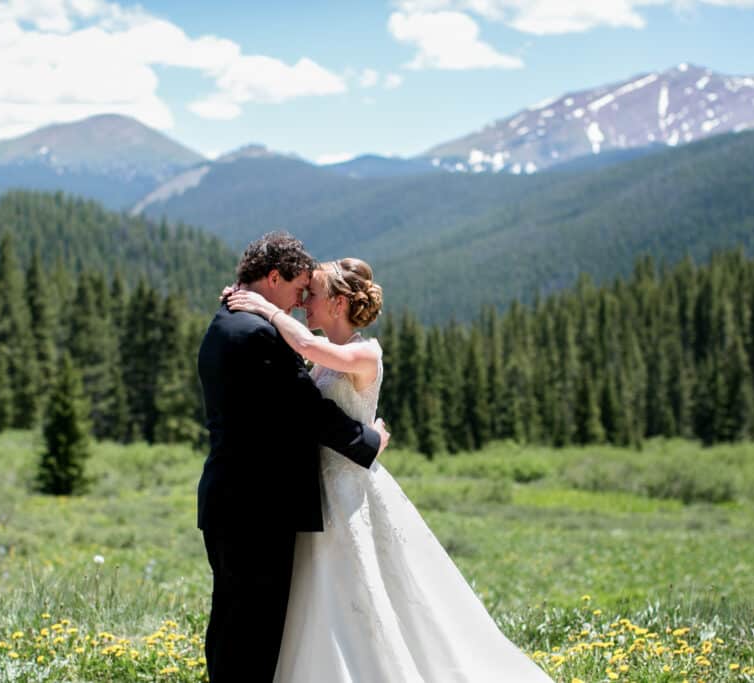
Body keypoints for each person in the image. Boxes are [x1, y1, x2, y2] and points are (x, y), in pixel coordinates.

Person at [226, 257, 554, 682]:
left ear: (339, 303)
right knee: (323, 597)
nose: (305, 302)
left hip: (349, 492)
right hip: (319, 494)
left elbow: (305, 345)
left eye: (314, 294)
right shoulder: (328, 359)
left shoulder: (363, 353)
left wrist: (265, 308)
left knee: (367, 590)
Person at [196, 233, 391, 683]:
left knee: (232, 623)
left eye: (311, 293)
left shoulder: (228, 320)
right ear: (272, 277)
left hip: (233, 499)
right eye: (299, 287)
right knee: (254, 632)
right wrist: (368, 440)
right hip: (258, 507)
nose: (302, 300)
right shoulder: (258, 333)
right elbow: (305, 409)